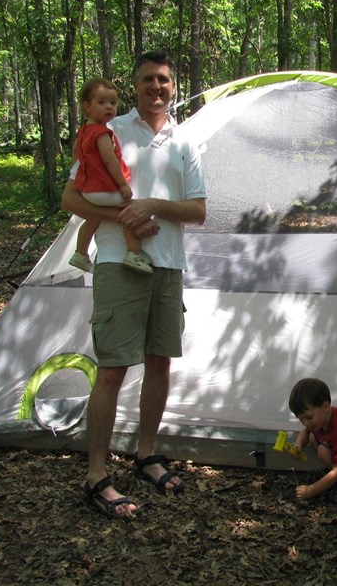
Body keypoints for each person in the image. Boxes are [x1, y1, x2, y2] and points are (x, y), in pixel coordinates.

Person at [61, 51, 207, 518]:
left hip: (167, 265)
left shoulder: (185, 142)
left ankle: (146, 454)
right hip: (120, 263)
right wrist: (124, 214)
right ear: (135, 85)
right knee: (113, 367)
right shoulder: (109, 130)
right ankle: (96, 475)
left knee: (159, 362)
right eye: (147, 80)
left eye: (163, 80)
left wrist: (153, 206)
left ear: (173, 86)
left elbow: (199, 210)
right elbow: (71, 197)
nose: (156, 87)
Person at [68, 77, 152, 275]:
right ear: (87, 106)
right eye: (102, 102)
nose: (109, 107)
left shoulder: (84, 131)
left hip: (89, 191)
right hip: (103, 190)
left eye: (113, 103)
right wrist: (123, 186)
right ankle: (133, 254)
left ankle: (80, 253)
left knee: (93, 218)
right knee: (131, 213)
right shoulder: (101, 133)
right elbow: (110, 161)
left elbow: (75, 153)